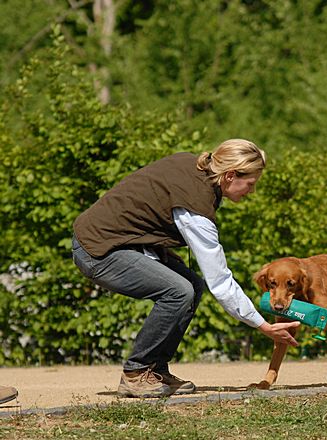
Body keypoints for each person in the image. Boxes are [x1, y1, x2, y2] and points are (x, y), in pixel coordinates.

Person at [72, 139, 299, 398]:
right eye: (250, 183)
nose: (252, 191)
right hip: (97, 250)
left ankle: (155, 370)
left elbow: (144, 213)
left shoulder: (194, 167)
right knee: (178, 291)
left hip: (119, 243)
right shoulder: (196, 205)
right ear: (230, 175)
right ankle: (136, 372)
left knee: (192, 285)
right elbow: (220, 281)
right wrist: (262, 325)